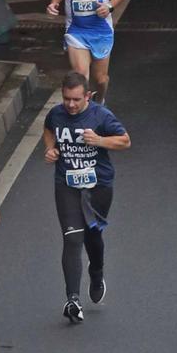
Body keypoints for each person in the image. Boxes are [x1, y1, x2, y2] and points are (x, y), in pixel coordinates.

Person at [43, 72, 131, 323]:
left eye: (76, 100)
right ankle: (73, 300)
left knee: (93, 236)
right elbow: (48, 129)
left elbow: (125, 141)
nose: (71, 105)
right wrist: (50, 149)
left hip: (98, 186)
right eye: (67, 99)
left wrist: (100, 140)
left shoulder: (101, 116)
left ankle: (96, 271)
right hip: (67, 184)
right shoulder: (56, 114)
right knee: (72, 239)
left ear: (88, 97)